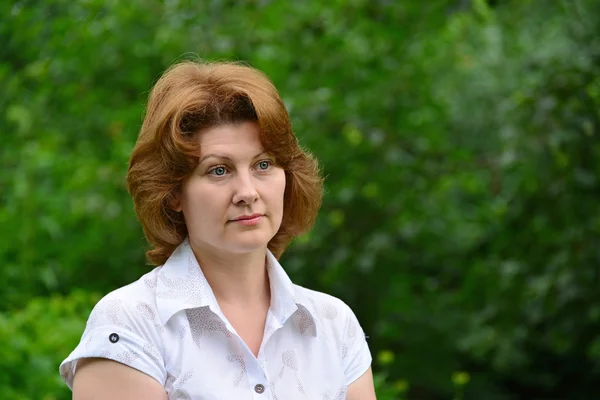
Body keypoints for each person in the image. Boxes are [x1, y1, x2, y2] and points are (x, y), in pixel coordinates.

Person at [59, 60, 376, 399]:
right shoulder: (130, 325)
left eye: (263, 165)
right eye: (219, 171)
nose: (247, 192)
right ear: (174, 193)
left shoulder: (333, 324)